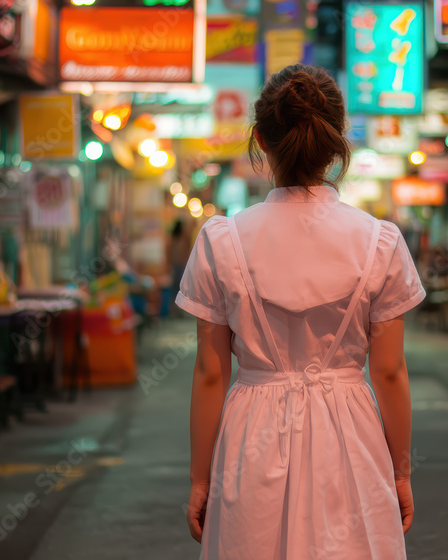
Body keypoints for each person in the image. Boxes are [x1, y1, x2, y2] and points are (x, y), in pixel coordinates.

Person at [177, 64, 425, 559]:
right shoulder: (379, 241)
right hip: (351, 429)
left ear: (260, 142)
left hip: (252, 429)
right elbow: (391, 372)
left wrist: (200, 480)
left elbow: (209, 374)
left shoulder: (221, 241)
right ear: (336, 144)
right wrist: (399, 473)